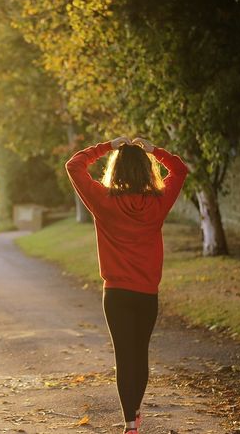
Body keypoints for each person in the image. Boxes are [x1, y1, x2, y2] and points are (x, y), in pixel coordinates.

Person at [65, 136, 189, 434]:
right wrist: (154, 150)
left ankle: (130, 425)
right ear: (147, 171)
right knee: (140, 354)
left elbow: (74, 165)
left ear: (116, 170)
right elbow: (180, 170)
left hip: (116, 294)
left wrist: (107, 146)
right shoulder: (158, 202)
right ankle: (134, 413)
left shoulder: (104, 201)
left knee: (124, 356)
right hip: (146, 294)